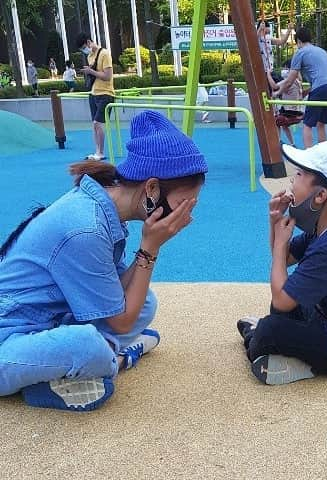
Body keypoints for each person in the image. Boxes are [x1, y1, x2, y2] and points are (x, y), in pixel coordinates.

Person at [0, 110, 208, 411]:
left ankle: (72, 367)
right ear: (151, 188)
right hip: (8, 334)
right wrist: (151, 247)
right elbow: (122, 321)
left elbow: (121, 297)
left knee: (144, 301)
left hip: (49, 317)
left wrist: (147, 250)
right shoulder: (86, 227)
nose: (186, 215)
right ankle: (116, 358)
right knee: (87, 346)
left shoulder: (106, 209)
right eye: (182, 204)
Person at [237, 140, 327, 385]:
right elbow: (285, 258)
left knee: (269, 330)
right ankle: (283, 349)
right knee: (281, 311)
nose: (291, 182)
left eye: (299, 175)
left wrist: (280, 245)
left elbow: (281, 299)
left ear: (320, 196)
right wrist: (275, 221)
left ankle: (262, 340)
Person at [278, 27, 327, 148]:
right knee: (321, 123)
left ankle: (309, 156)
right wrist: (305, 93)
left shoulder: (300, 53)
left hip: (320, 88)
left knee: (307, 124)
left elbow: (290, 81)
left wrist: (277, 92)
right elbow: (321, 76)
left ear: (298, 41)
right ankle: (324, 154)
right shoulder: (321, 51)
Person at [76, 31, 115, 160]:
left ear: (88, 42)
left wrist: (91, 71)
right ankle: (97, 151)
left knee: (98, 123)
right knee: (94, 124)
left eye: (83, 47)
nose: (84, 50)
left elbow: (107, 76)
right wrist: (89, 72)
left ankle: (101, 152)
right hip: (93, 93)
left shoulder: (104, 53)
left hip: (105, 93)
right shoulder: (90, 57)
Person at [266, 61, 303, 147]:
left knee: (276, 122)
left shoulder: (289, 81)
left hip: (290, 112)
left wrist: (268, 74)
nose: (283, 70)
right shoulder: (298, 81)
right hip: (295, 110)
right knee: (284, 125)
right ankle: (292, 143)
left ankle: (278, 142)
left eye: (285, 68)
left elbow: (274, 86)